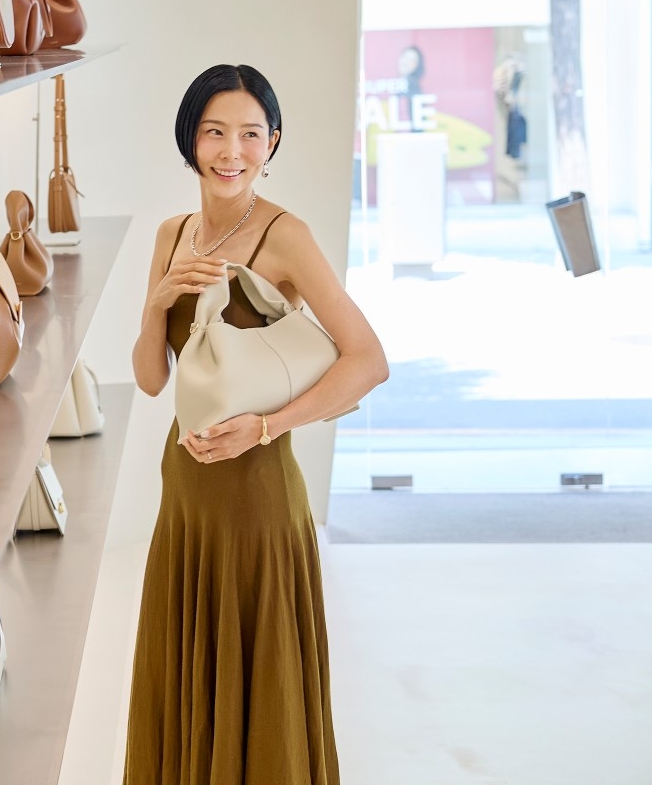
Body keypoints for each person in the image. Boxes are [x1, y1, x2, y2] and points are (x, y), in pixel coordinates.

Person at [124, 64, 389, 784]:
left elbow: (368, 361)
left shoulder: (285, 236)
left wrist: (268, 427)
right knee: (189, 688)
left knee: (261, 695)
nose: (231, 151)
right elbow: (151, 381)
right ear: (190, 139)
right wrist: (156, 304)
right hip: (185, 501)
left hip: (260, 500)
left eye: (250, 133)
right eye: (214, 132)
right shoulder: (170, 235)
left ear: (272, 141)